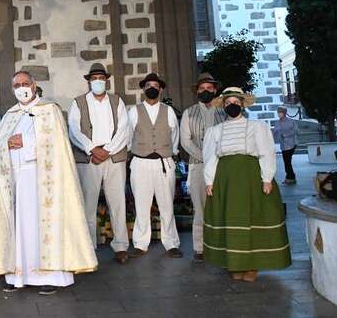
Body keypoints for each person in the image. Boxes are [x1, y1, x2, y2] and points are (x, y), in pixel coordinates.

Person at [0, 71, 97, 295]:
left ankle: (50, 276)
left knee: (44, 226)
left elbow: (56, 144)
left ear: (34, 86)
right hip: (17, 180)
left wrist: (26, 142)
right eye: (17, 85)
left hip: (42, 180)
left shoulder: (49, 111)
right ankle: (17, 275)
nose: (21, 88)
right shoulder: (10, 115)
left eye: (25, 83)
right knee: (20, 227)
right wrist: (7, 146)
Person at [203, 87, 291, 282]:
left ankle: (252, 265)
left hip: (250, 177)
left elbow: (266, 152)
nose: (231, 106)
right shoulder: (215, 131)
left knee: (253, 218)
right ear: (223, 107)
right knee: (230, 220)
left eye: (235, 102)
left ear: (242, 104)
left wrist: (267, 178)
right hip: (225, 179)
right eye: (227, 103)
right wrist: (209, 181)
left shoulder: (256, 127)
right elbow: (210, 156)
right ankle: (234, 263)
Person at [67, 63, 131, 263]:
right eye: (94, 79)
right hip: (89, 158)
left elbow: (124, 129)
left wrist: (108, 150)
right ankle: (88, 248)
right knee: (88, 202)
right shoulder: (78, 103)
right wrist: (93, 149)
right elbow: (74, 130)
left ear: (106, 80)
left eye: (101, 78)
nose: (97, 82)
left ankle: (121, 246)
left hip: (113, 157)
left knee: (117, 201)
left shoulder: (117, 101)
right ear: (88, 81)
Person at [127, 73, 182, 259]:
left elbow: (175, 136)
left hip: (163, 162)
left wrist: (168, 151)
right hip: (141, 162)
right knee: (141, 205)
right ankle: (140, 243)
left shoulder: (169, 111)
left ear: (160, 89)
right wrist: (136, 151)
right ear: (143, 89)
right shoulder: (134, 111)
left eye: (155, 85)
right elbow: (128, 136)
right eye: (148, 85)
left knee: (167, 204)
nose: (152, 88)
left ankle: (171, 243)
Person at [179, 73, 224, 263]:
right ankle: (199, 248)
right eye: (201, 88)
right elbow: (185, 141)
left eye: (209, 88)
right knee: (200, 207)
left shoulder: (224, 111)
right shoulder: (189, 113)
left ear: (215, 90)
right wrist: (204, 156)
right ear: (197, 91)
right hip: (198, 166)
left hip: (222, 166)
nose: (205, 91)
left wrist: (218, 158)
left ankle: (222, 245)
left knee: (222, 206)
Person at [272, 106, 298, 185]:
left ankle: (290, 178)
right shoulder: (277, 122)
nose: (279, 114)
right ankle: (290, 177)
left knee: (287, 162)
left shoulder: (291, 121)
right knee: (287, 162)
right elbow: (274, 132)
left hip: (291, 144)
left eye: (280, 112)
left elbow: (295, 131)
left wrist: (286, 135)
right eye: (278, 112)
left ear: (284, 113)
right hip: (283, 145)